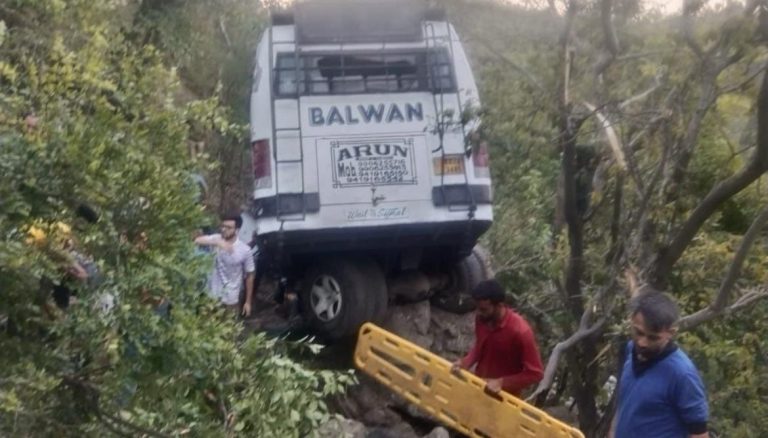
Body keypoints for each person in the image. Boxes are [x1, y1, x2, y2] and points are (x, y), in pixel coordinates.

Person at [612, 292, 709, 438]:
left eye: (653, 338)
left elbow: (699, 433)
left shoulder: (682, 374)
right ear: (632, 320)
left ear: (671, 333)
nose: (642, 342)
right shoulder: (630, 349)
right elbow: (626, 402)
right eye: (638, 332)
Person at [451, 279, 544, 397]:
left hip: (505, 399)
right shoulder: (482, 319)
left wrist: (502, 382)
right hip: (479, 387)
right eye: (477, 308)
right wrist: (465, 363)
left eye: (484, 309)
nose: (478, 313)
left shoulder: (521, 332)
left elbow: (536, 373)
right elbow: (480, 347)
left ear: (499, 305)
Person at [195, 214, 255, 317]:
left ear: (237, 229)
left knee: (229, 330)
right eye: (223, 226)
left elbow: (250, 275)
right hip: (211, 297)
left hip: (231, 300)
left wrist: (248, 302)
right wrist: (217, 242)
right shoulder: (216, 238)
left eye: (228, 227)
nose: (224, 229)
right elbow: (197, 240)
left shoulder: (245, 250)